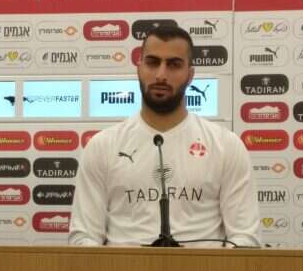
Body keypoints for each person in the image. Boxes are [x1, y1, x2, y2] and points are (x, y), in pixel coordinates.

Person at [69, 26, 260, 247]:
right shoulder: (103, 146)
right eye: (152, 63)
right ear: (139, 68)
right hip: (124, 269)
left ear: (190, 75)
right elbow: (84, 237)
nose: (161, 75)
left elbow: (244, 238)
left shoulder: (226, 145)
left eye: (173, 65)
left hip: (204, 269)